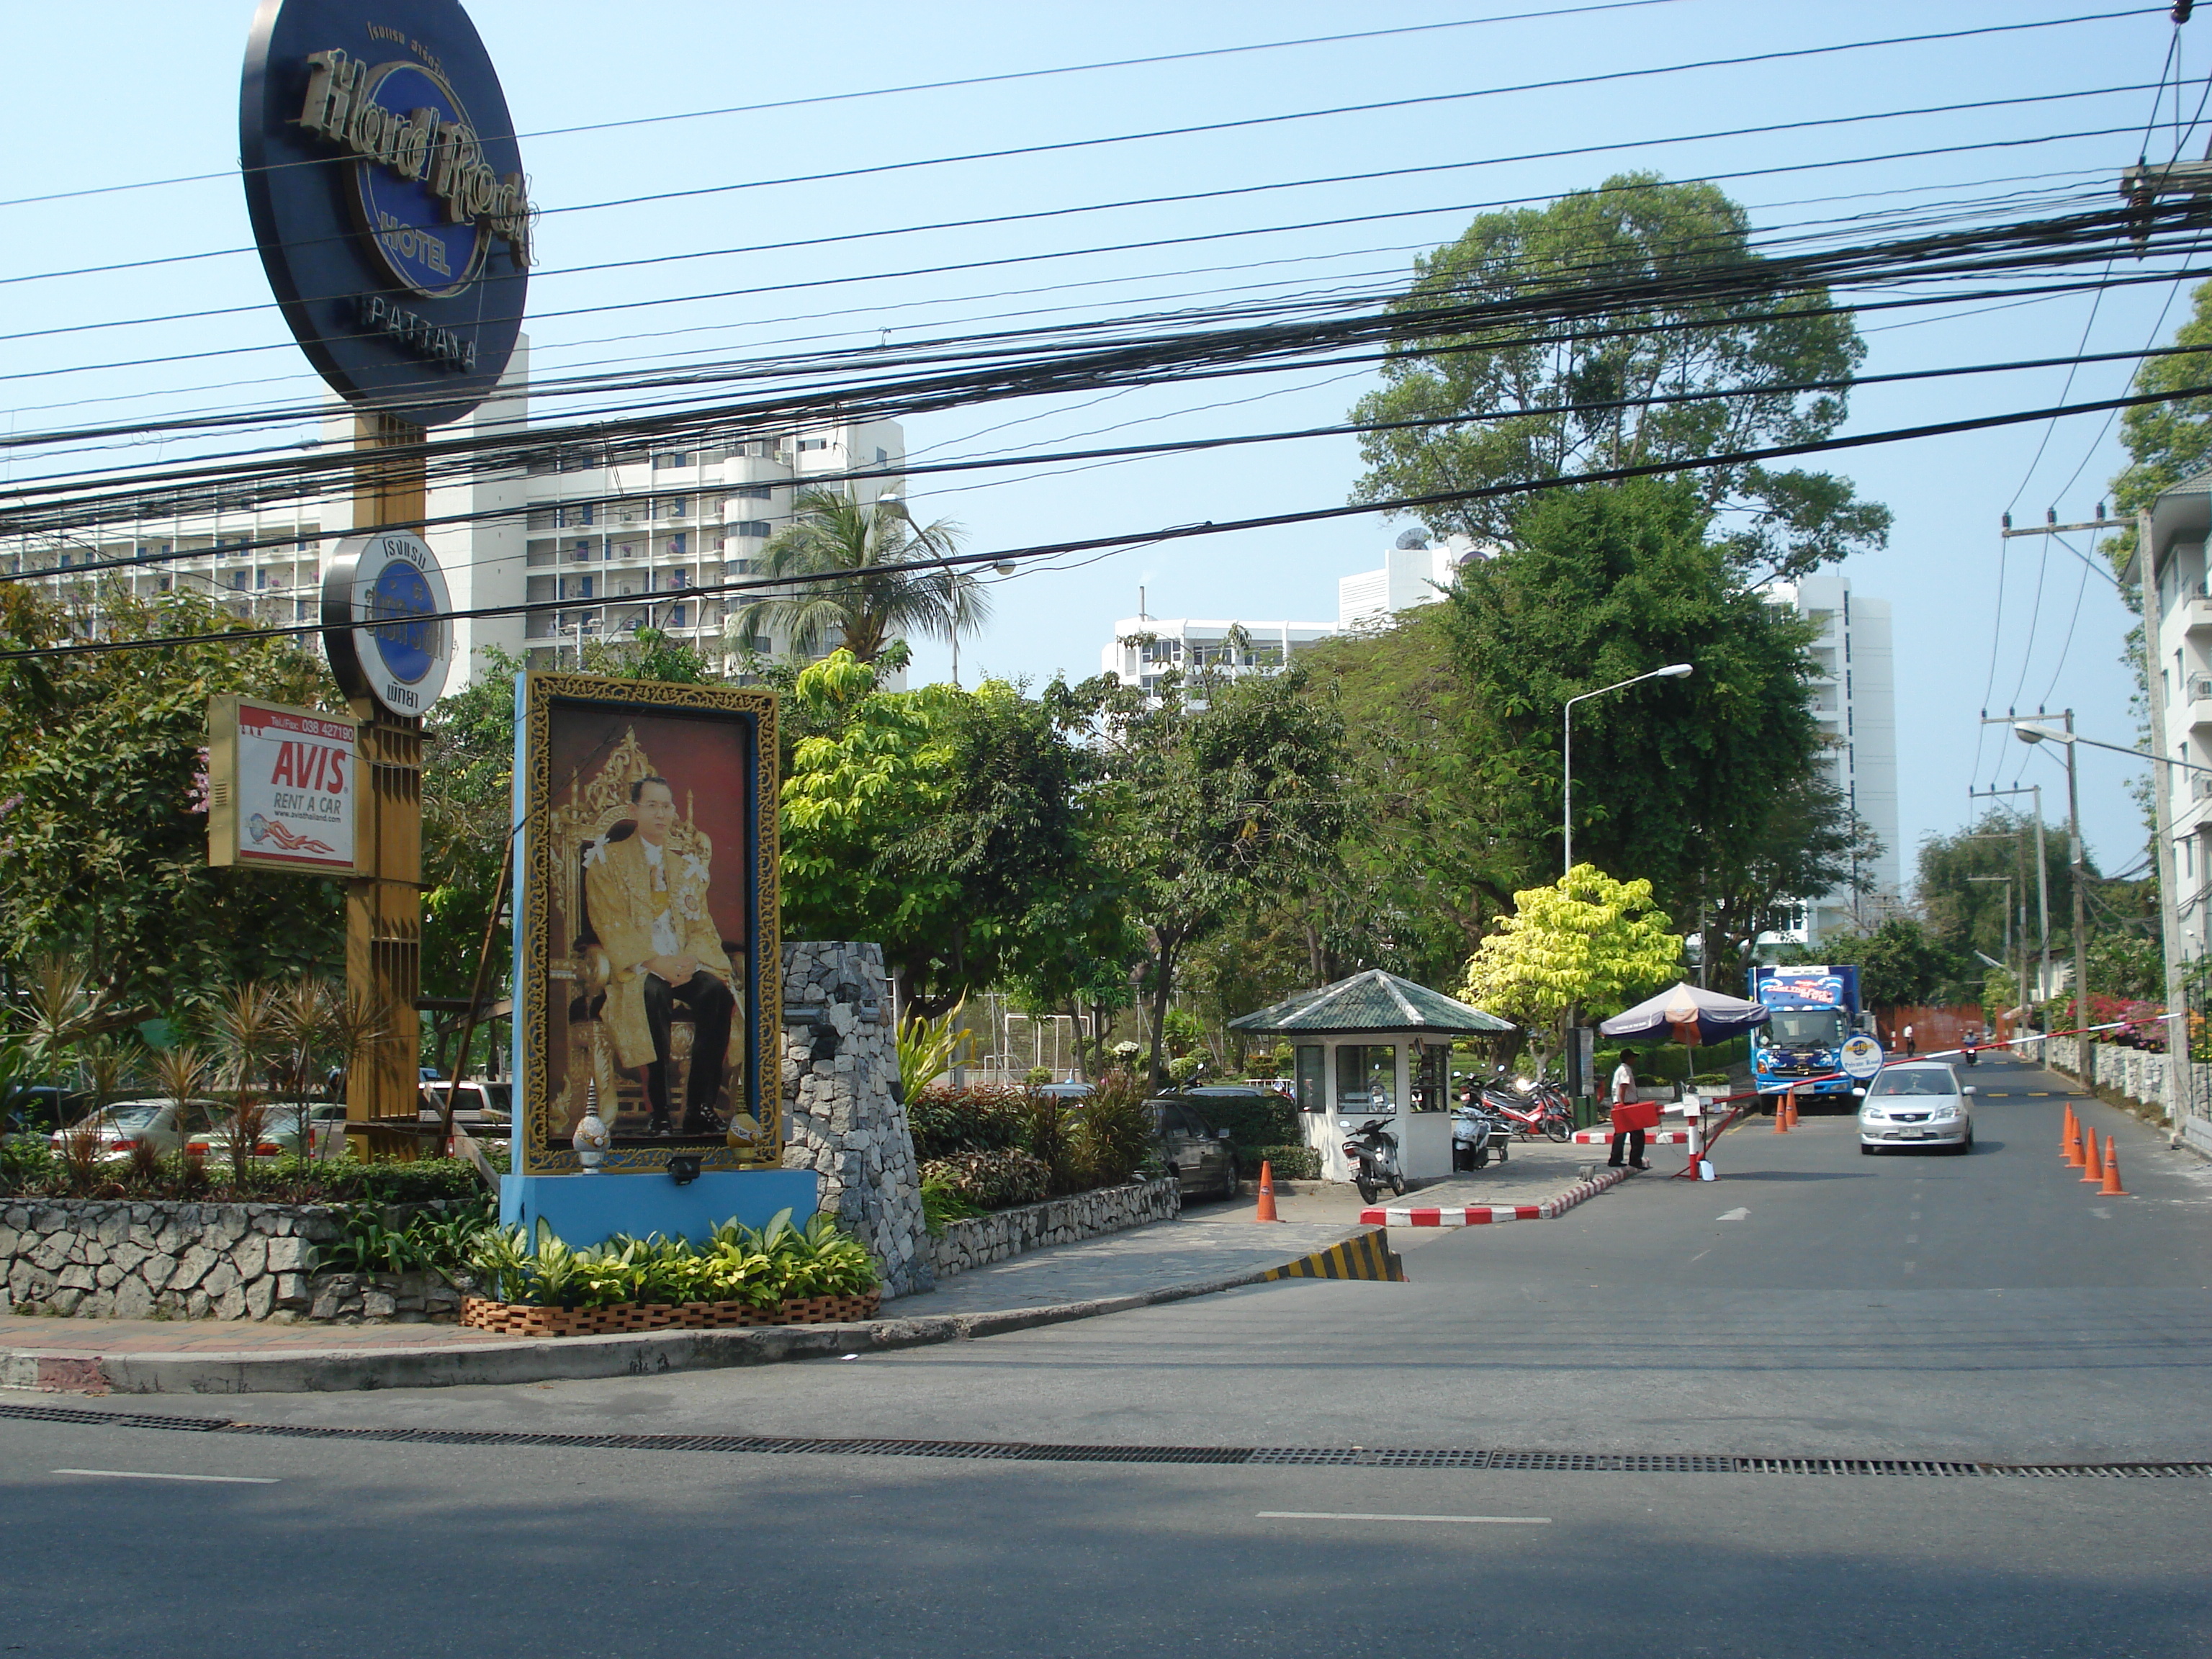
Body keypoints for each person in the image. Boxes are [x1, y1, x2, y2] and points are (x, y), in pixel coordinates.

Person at [583, 775, 738, 1138]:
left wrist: (690, 960)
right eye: (652, 805)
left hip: (682, 964)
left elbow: (702, 925)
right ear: (634, 810)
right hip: (637, 969)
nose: (661, 814)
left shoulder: (685, 866)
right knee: (650, 993)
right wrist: (655, 961)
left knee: (716, 993)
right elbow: (608, 922)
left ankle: (700, 1107)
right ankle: (660, 1112)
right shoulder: (609, 861)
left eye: (667, 806)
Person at [1607, 1048, 1657, 1170]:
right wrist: (1623, 1104)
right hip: (1626, 1104)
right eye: (1633, 1057)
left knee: (1620, 1133)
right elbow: (1623, 1087)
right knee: (1638, 1134)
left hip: (1620, 1103)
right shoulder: (1625, 1070)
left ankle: (1615, 1159)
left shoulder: (1621, 1069)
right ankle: (1635, 1160)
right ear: (1629, 1058)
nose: (1634, 1060)